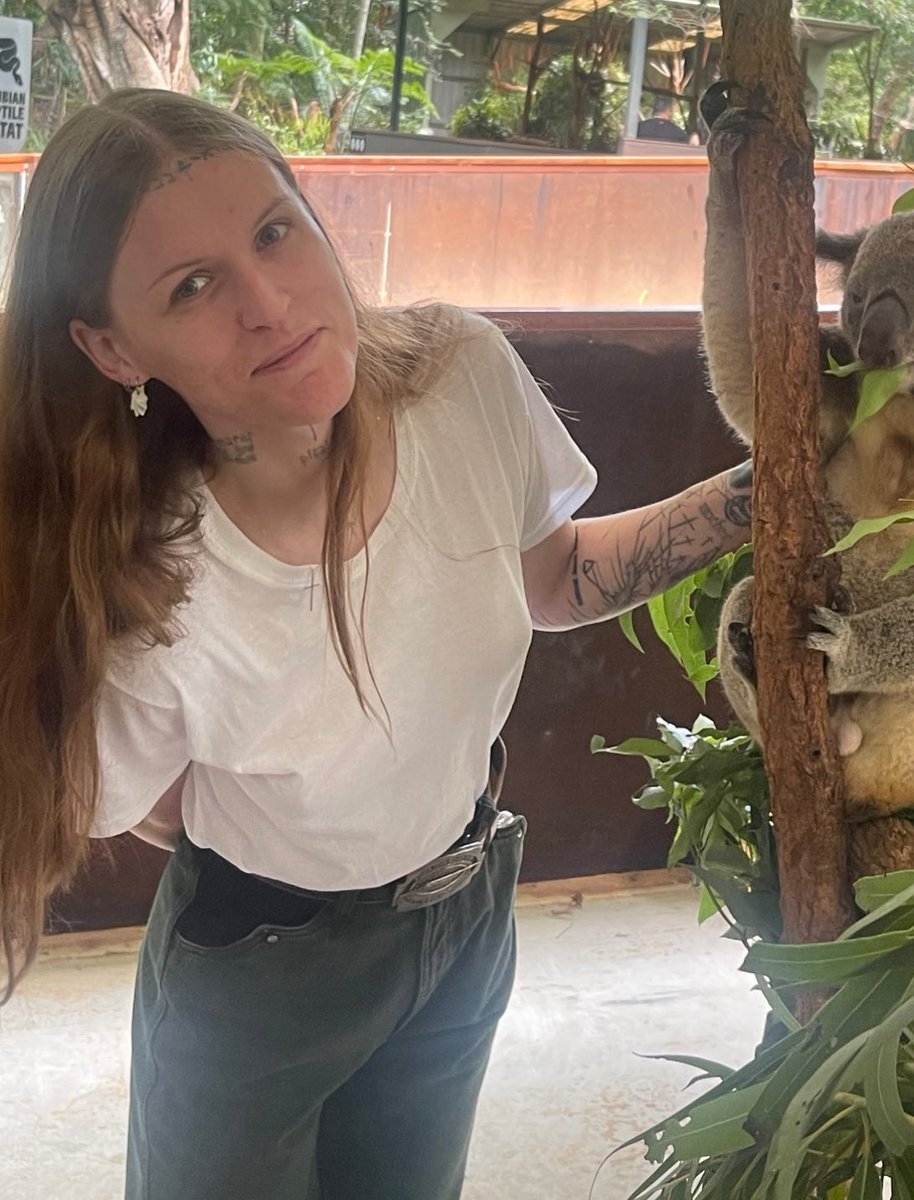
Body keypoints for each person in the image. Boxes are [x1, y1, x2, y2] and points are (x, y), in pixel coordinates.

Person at [0, 88, 753, 1200]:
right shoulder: (146, 577)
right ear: (112, 349)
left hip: (466, 910)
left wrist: (757, 497)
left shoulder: (462, 376)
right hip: (258, 971)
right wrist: (294, 832)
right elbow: (136, 802)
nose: (269, 305)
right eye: (193, 287)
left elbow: (552, 575)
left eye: (274, 232)